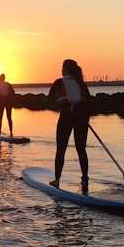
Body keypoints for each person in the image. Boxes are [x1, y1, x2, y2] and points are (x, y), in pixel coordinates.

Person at [48, 59, 92, 192]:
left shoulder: (59, 82)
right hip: (81, 118)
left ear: (66, 69)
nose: (61, 70)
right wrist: (86, 118)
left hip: (66, 117)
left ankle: (57, 179)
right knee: (81, 149)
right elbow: (89, 102)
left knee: (61, 149)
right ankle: (85, 178)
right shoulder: (81, 83)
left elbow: (49, 97)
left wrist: (57, 99)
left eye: (62, 67)